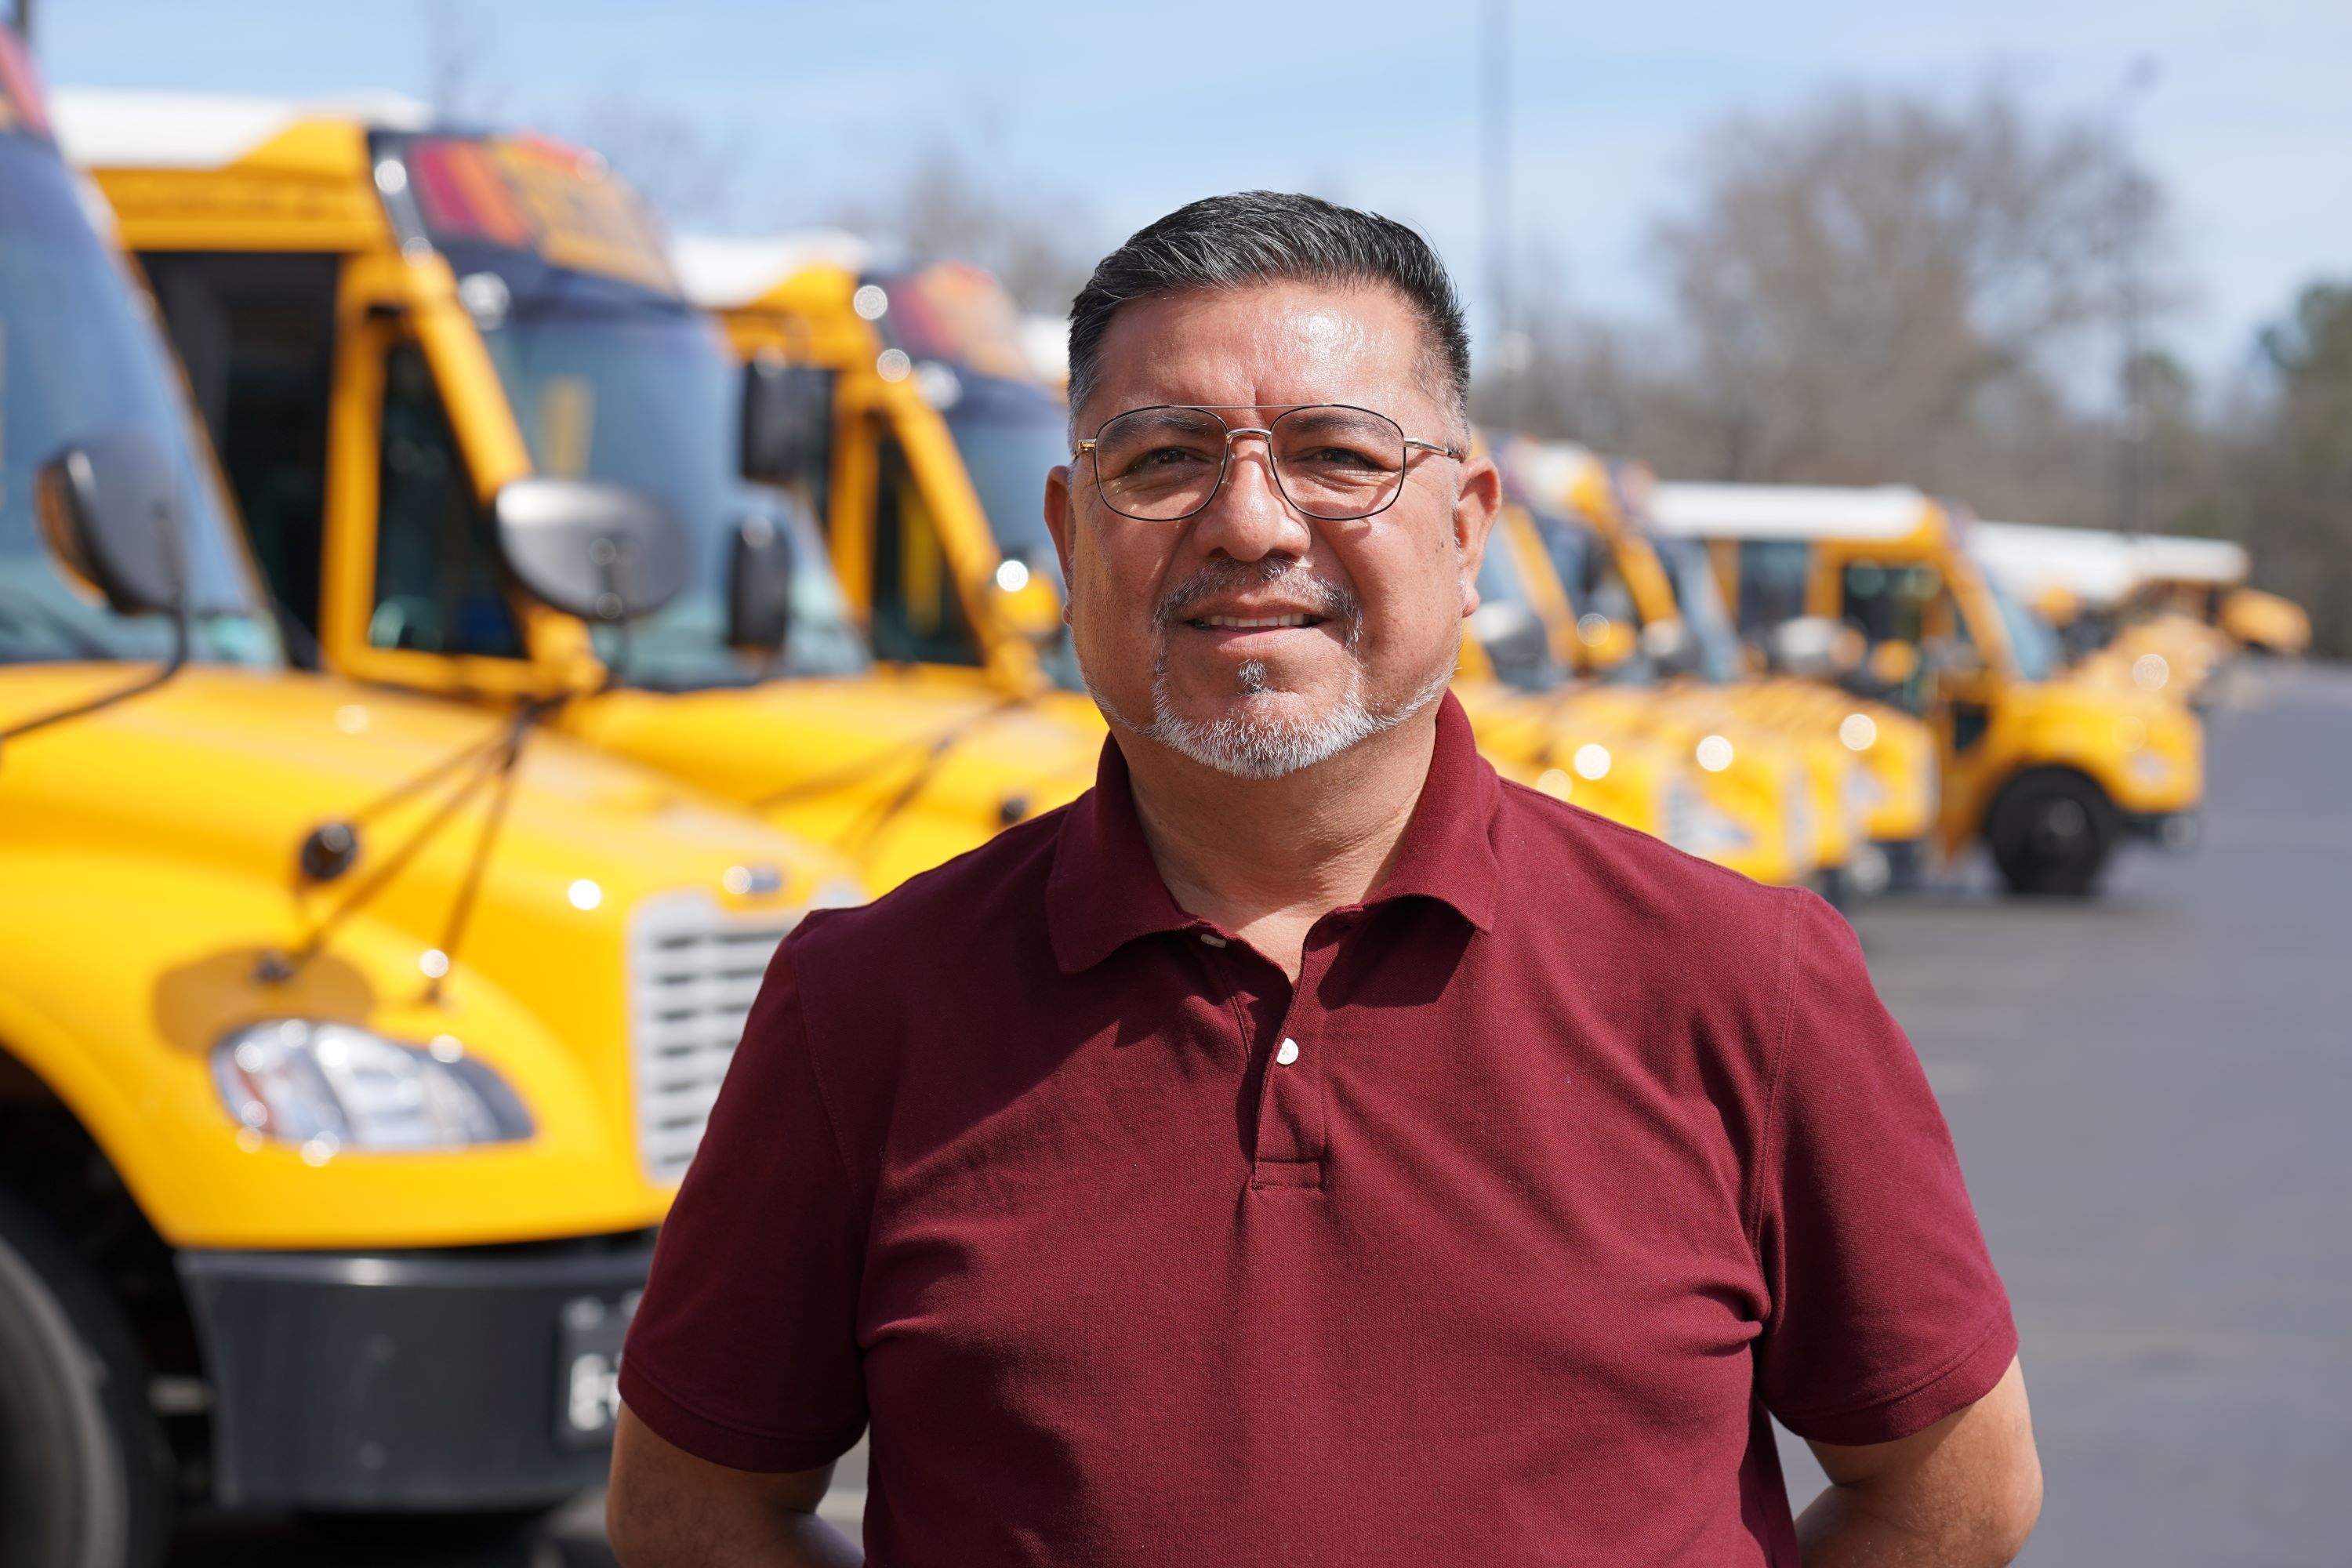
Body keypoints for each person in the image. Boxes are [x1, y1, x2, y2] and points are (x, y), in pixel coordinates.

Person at [605, 191, 2041, 1566]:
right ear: (1065, 532)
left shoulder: (1745, 981)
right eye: (1161, 458)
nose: (1251, 523)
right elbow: (692, 1515)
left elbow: (1956, 1494)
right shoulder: (864, 1005)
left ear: (1469, 529)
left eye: (1339, 454)